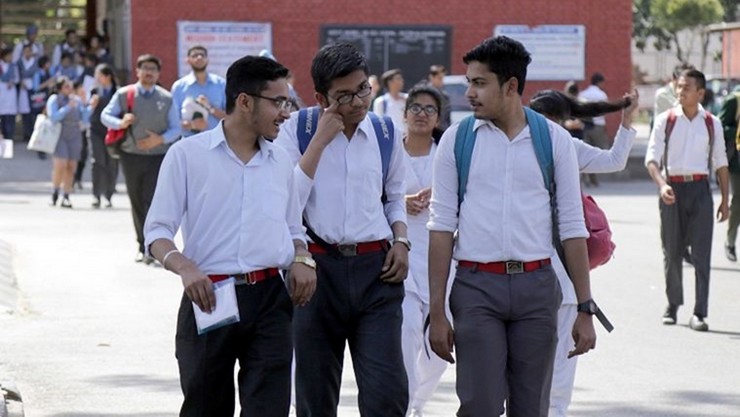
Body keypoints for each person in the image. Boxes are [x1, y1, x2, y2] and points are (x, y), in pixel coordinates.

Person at [427, 36, 596, 417]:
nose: (469, 93)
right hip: (475, 289)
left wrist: (585, 307)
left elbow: (572, 227)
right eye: (469, 82)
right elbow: (441, 227)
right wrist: (437, 312)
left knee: (531, 407)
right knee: (480, 404)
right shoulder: (456, 141)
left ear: (511, 86)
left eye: (479, 83)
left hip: (537, 289)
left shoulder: (554, 140)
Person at [144, 55, 316, 417]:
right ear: (245, 101)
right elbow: (157, 232)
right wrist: (186, 268)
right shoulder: (187, 156)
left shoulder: (281, 162)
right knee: (206, 407)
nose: (286, 113)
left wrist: (302, 257)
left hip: (271, 300)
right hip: (210, 297)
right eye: (278, 102)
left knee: (269, 409)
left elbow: (293, 228)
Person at [274, 43, 410, 417]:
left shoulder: (385, 131)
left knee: (386, 394)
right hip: (316, 272)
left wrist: (401, 240)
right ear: (321, 98)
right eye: (344, 96)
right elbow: (287, 202)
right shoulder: (298, 129)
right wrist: (320, 140)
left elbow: (394, 196)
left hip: (377, 273)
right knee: (315, 395)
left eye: (363, 89)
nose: (358, 102)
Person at [529, 88, 638, 417]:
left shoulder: (567, 147)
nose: (543, 128)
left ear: (562, 123)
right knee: (523, 364)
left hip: (562, 274)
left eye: (551, 121)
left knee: (560, 364)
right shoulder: (511, 148)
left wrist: (627, 122)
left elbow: (614, 161)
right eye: (537, 119)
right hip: (518, 276)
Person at [645, 68, 729, 332]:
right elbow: (652, 159)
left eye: (687, 88)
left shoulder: (711, 123)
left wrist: (725, 200)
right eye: (679, 86)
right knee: (672, 251)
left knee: (702, 255)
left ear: (700, 93)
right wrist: (662, 185)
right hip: (672, 190)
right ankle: (673, 305)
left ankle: (699, 313)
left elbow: (721, 162)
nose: (680, 91)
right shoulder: (665, 120)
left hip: (701, 190)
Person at [101, 54, 181, 264]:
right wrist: (120, 122)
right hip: (131, 155)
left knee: (153, 200)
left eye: (153, 69)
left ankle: (154, 246)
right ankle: (141, 245)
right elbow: (105, 115)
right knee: (136, 200)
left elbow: (176, 128)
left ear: (158, 73)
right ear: (137, 71)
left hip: (158, 156)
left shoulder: (166, 98)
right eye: (145, 68)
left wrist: (159, 140)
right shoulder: (124, 94)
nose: (149, 72)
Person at [400, 85, 449, 417]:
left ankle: (417, 401)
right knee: (406, 333)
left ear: (438, 118)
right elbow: (370, 195)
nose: (421, 114)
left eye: (429, 109)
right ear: (404, 115)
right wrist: (400, 203)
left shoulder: (446, 155)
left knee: (439, 346)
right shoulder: (390, 153)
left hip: (442, 259)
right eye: (415, 108)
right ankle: (404, 406)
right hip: (401, 256)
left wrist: (443, 196)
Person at [46, 76, 93, 208]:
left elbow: (84, 118)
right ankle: (55, 191)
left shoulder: (76, 100)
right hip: (60, 134)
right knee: (60, 164)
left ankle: (66, 195)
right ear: (60, 88)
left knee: (71, 166)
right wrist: (67, 107)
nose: (70, 89)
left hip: (75, 134)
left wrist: (89, 106)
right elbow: (53, 117)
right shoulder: (54, 99)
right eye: (66, 86)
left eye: (71, 86)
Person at [171, 45, 226, 137]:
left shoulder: (221, 84)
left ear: (207, 60)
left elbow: (230, 118)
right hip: (189, 140)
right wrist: (192, 125)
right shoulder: (179, 87)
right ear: (188, 60)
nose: (199, 57)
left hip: (216, 139)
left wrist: (210, 107)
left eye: (202, 55)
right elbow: (173, 122)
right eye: (195, 55)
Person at [88, 63, 119, 208]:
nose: (97, 78)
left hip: (112, 130)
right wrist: (92, 104)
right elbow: (87, 109)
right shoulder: (94, 91)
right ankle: (96, 195)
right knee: (97, 161)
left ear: (108, 77)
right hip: (96, 129)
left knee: (111, 162)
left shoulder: (118, 92)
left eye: (99, 76)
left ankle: (109, 194)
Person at [718, 87, 740, 262]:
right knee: (738, 201)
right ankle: (730, 242)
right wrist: (737, 130)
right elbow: (719, 126)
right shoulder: (734, 100)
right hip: (737, 162)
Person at [579, 72, 609, 187]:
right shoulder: (602, 95)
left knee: (585, 152)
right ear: (600, 82)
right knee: (597, 153)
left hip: (585, 126)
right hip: (598, 126)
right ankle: (593, 179)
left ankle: (587, 177)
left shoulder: (583, 94)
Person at [373, 68, 408, 133]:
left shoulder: (408, 99)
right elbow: (378, 123)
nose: (402, 81)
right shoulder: (381, 102)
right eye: (398, 79)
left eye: (401, 78)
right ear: (390, 82)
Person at [0, 47, 19, 141]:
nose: (11, 57)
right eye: (9, 55)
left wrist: (12, 82)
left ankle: (9, 137)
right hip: (2, 90)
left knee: (10, 116)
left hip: (11, 92)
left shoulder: (14, 66)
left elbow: (17, 78)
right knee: (2, 116)